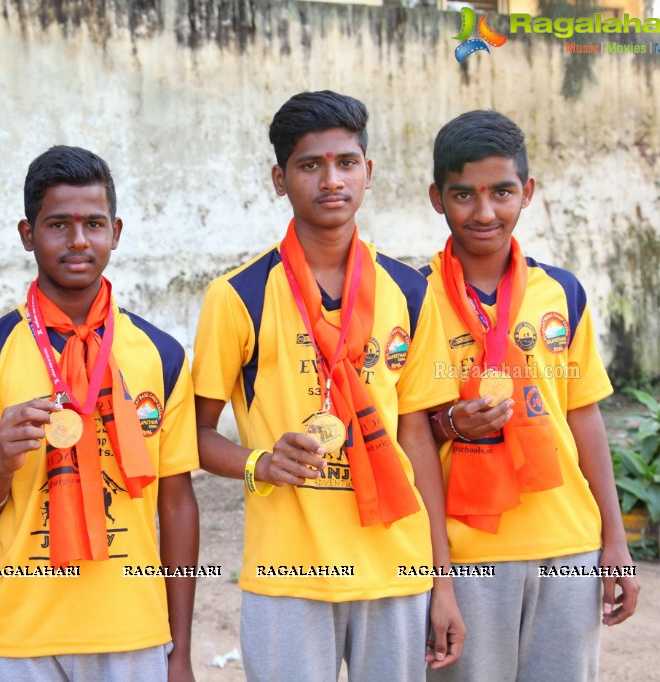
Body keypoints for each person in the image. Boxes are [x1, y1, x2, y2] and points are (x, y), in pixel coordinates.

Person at [192, 90, 465, 682]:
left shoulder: (410, 291)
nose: (330, 179)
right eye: (309, 165)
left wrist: (442, 581)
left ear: (368, 172)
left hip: (396, 568)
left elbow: (418, 441)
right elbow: (194, 434)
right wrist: (259, 462)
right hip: (286, 574)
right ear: (279, 178)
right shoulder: (236, 296)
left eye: (345, 162)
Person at [0, 145, 200, 682]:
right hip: (14, 636)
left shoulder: (163, 355)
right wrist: (0, 461)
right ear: (26, 234)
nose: (79, 240)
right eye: (58, 225)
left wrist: (178, 650)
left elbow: (177, 505)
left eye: (94, 223)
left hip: (133, 631)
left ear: (117, 230)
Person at [421, 110, 638, 682]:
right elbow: (410, 429)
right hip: (467, 552)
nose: (485, 211)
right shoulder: (411, 297)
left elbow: (583, 415)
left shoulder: (561, 292)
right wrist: (450, 424)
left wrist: (614, 541)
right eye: (463, 194)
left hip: (569, 543)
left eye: (502, 192)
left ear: (528, 192)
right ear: (437, 198)